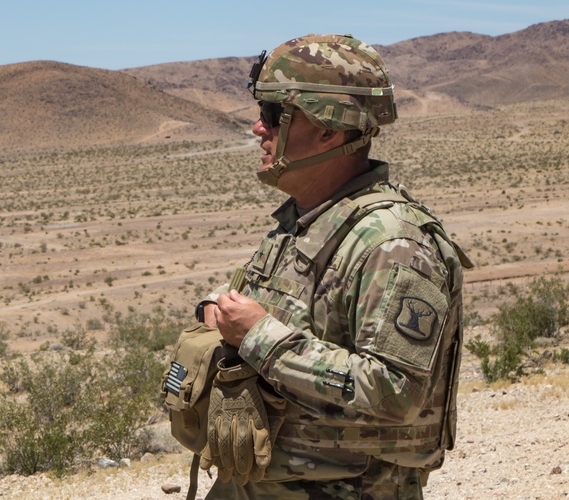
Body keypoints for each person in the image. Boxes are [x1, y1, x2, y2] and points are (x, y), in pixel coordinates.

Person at [197, 34, 472, 499]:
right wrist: (220, 308)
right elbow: (287, 304)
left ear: (328, 130)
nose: (257, 130)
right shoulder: (312, 218)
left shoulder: (392, 242)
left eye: (272, 115)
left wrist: (259, 336)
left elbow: (396, 391)